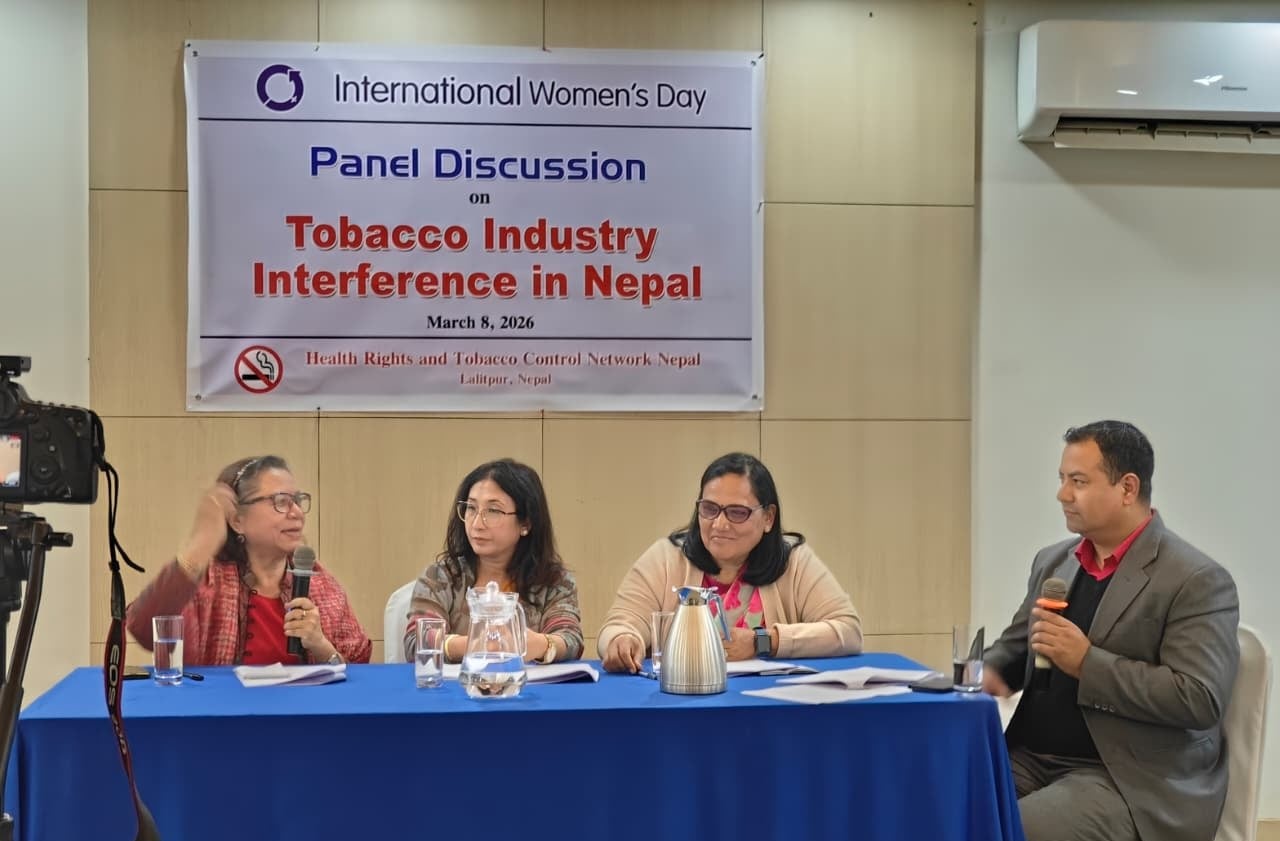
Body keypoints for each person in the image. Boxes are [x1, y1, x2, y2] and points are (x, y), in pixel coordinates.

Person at [983, 421, 1240, 841]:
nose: (1063, 494)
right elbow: (1015, 649)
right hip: (1030, 757)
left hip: (1128, 778)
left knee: (1007, 830)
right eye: (1062, 479)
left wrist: (1087, 664)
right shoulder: (1054, 561)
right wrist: (987, 672)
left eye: (1079, 481)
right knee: (938, 807)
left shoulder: (1196, 579)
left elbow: (1198, 698)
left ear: (1128, 488)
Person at [599, 452, 862, 672]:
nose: (720, 524)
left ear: (768, 518)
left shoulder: (793, 562)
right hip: (685, 702)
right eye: (709, 509)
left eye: (737, 512)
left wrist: (764, 641)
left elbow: (848, 632)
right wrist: (623, 639)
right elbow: (617, 626)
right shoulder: (666, 558)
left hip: (769, 705)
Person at [127, 455, 371, 665]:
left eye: (297, 500)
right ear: (237, 521)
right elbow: (144, 629)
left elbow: (360, 674)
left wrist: (321, 646)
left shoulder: (322, 586)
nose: (297, 513)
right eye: (281, 502)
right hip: (217, 706)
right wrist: (199, 546)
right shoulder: (207, 583)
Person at [403, 458, 583, 664]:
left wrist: (542, 645)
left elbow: (570, 638)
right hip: (458, 684)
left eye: (493, 511)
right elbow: (416, 642)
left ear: (526, 522)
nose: (477, 524)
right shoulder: (441, 576)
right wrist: (480, 644)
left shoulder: (554, 581)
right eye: (471, 508)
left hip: (527, 684)